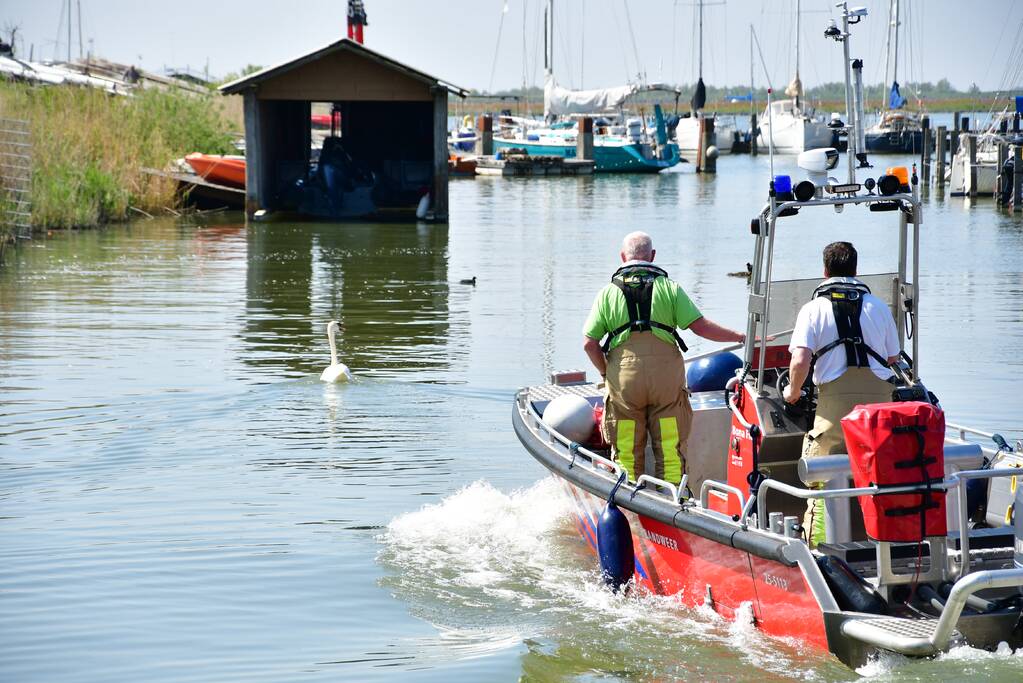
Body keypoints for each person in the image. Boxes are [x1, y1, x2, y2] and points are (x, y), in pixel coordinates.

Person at [583, 232, 746, 486]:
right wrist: (739, 336)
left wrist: (606, 374)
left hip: (624, 380)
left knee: (626, 450)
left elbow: (589, 344)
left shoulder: (607, 294)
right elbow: (701, 328)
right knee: (670, 447)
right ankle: (672, 503)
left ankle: (629, 502)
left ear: (623, 257)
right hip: (666, 378)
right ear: (653, 256)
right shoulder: (670, 289)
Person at [783, 241, 901, 544]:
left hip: (834, 409)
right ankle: (885, 544)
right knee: (879, 472)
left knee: (821, 476)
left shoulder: (812, 309)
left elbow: (800, 360)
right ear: (856, 269)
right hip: (877, 410)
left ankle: (820, 550)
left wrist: (792, 392)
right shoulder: (878, 307)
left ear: (824, 271)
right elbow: (892, 359)